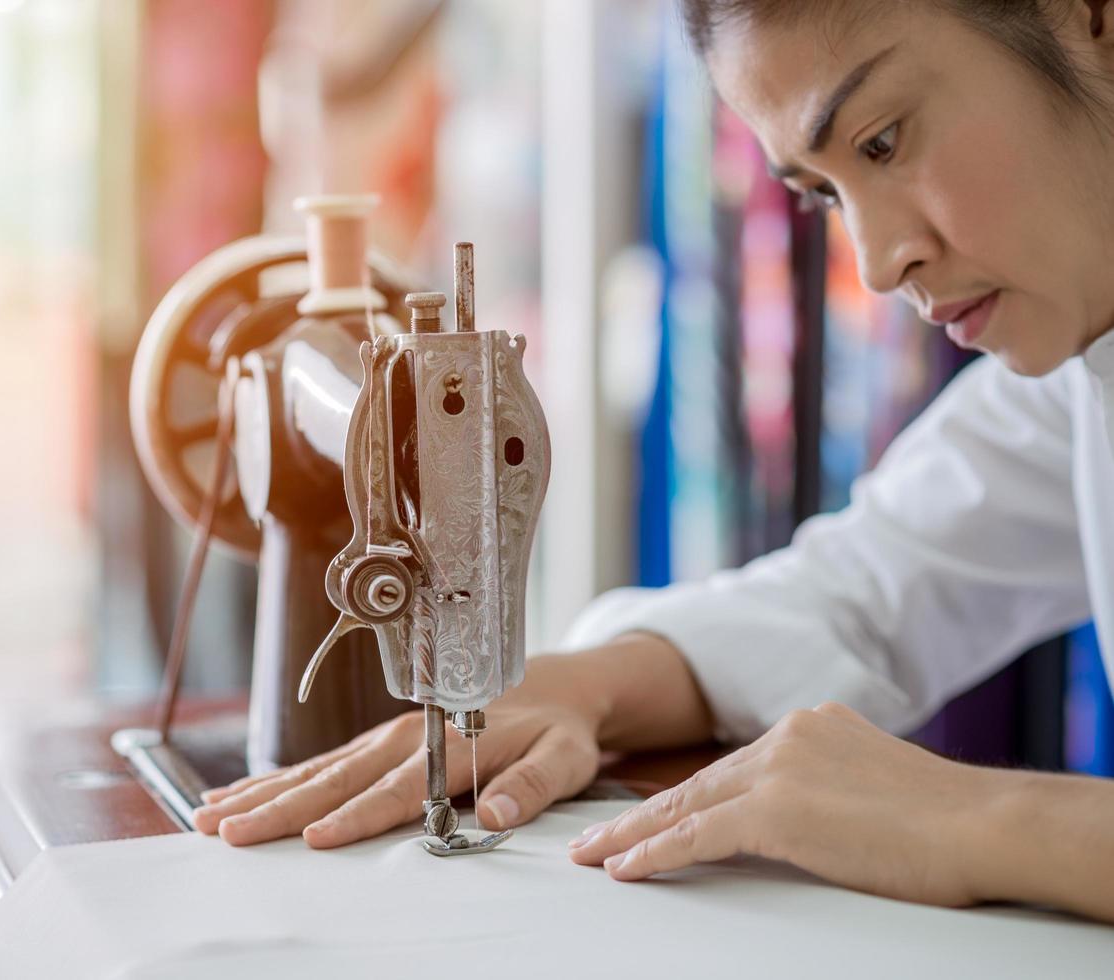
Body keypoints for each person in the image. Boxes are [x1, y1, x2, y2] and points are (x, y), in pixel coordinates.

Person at [191, 0, 1114, 923]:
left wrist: (979, 816)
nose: (874, 265)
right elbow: (870, 589)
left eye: (880, 142)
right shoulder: (1076, 384)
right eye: (822, 194)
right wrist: (587, 685)